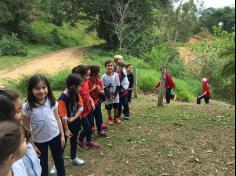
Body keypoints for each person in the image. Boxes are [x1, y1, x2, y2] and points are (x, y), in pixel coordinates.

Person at [23, 74, 66, 176]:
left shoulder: (52, 102)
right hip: (39, 141)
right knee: (42, 164)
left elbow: (57, 119)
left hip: (55, 136)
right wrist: (32, 145)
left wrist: (62, 135)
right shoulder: (27, 107)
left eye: (44, 87)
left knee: (59, 160)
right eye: (37, 88)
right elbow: (26, 127)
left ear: (48, 88)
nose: (41, 91)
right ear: (31, 90)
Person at [0, 90, 42, 176]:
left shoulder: (18, 126)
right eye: (19, 110)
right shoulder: (9, 160)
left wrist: (32, 146)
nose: (23, 113)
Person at [72, 65, 100, 149]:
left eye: (89, 75)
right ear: (80, 75)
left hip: (88, 109)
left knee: (90, 126)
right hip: (81, 112)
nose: (89, 77)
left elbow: (87, 94)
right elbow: (74, 102)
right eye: (87, 75)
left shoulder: (86, 83)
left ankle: (89, 141)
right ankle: (79, 141)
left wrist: (91, 101)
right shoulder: (77, 87)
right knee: (87, 128)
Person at [88, 65, 107, 136]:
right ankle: (91, 128)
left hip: (97, 102)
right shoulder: (87, 82)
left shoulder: (99, 81)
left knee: (98, 116)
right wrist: (92, 89)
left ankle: (100, 130)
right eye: (98, 72)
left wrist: (99, 91)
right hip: (89, 103)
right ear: (93, 73)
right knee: (90, 117)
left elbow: (103, 92)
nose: (100, 73)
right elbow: (85, 93)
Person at [101, 60, 121, 125]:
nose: (110, 67)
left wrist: (115, 95)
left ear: (113, 67)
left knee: (116, 106)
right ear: (105, 67)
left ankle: (116, 117)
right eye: (108, 66)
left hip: (115, 94)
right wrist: (109, 96)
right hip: (108, 95)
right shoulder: (103, 77)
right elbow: (103, 88)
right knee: (109, 107)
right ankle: (110, 118)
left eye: (111, 66)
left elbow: (118, 85)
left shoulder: (116, 75)